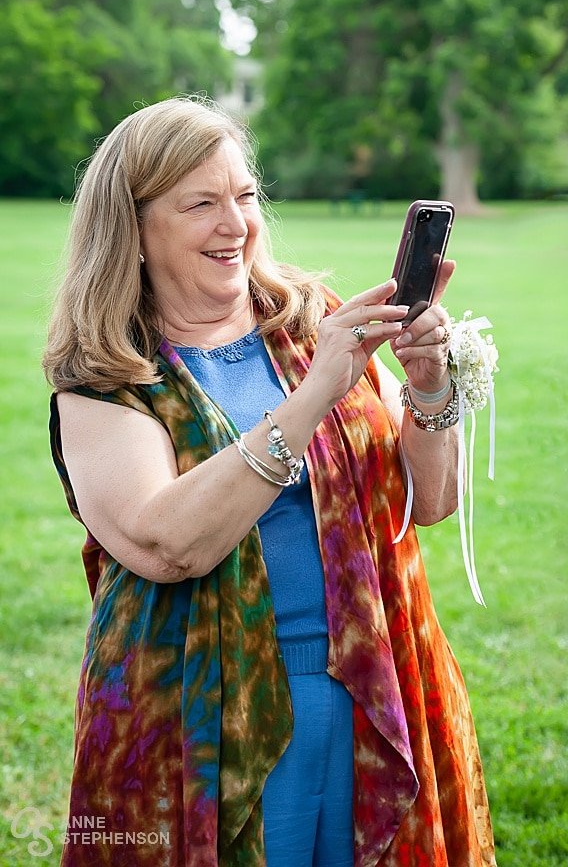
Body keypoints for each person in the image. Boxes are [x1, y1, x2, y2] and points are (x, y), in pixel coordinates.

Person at [42, 97, 495, 866]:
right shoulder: (104, 377)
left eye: (246, 196)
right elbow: (167, 543)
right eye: (202, 204)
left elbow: (433, 502)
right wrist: (317, 389)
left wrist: (426, 388)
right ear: (136, 229)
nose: (237, 224)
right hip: (200, 712)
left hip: (370, 680)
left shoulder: (306, 315)